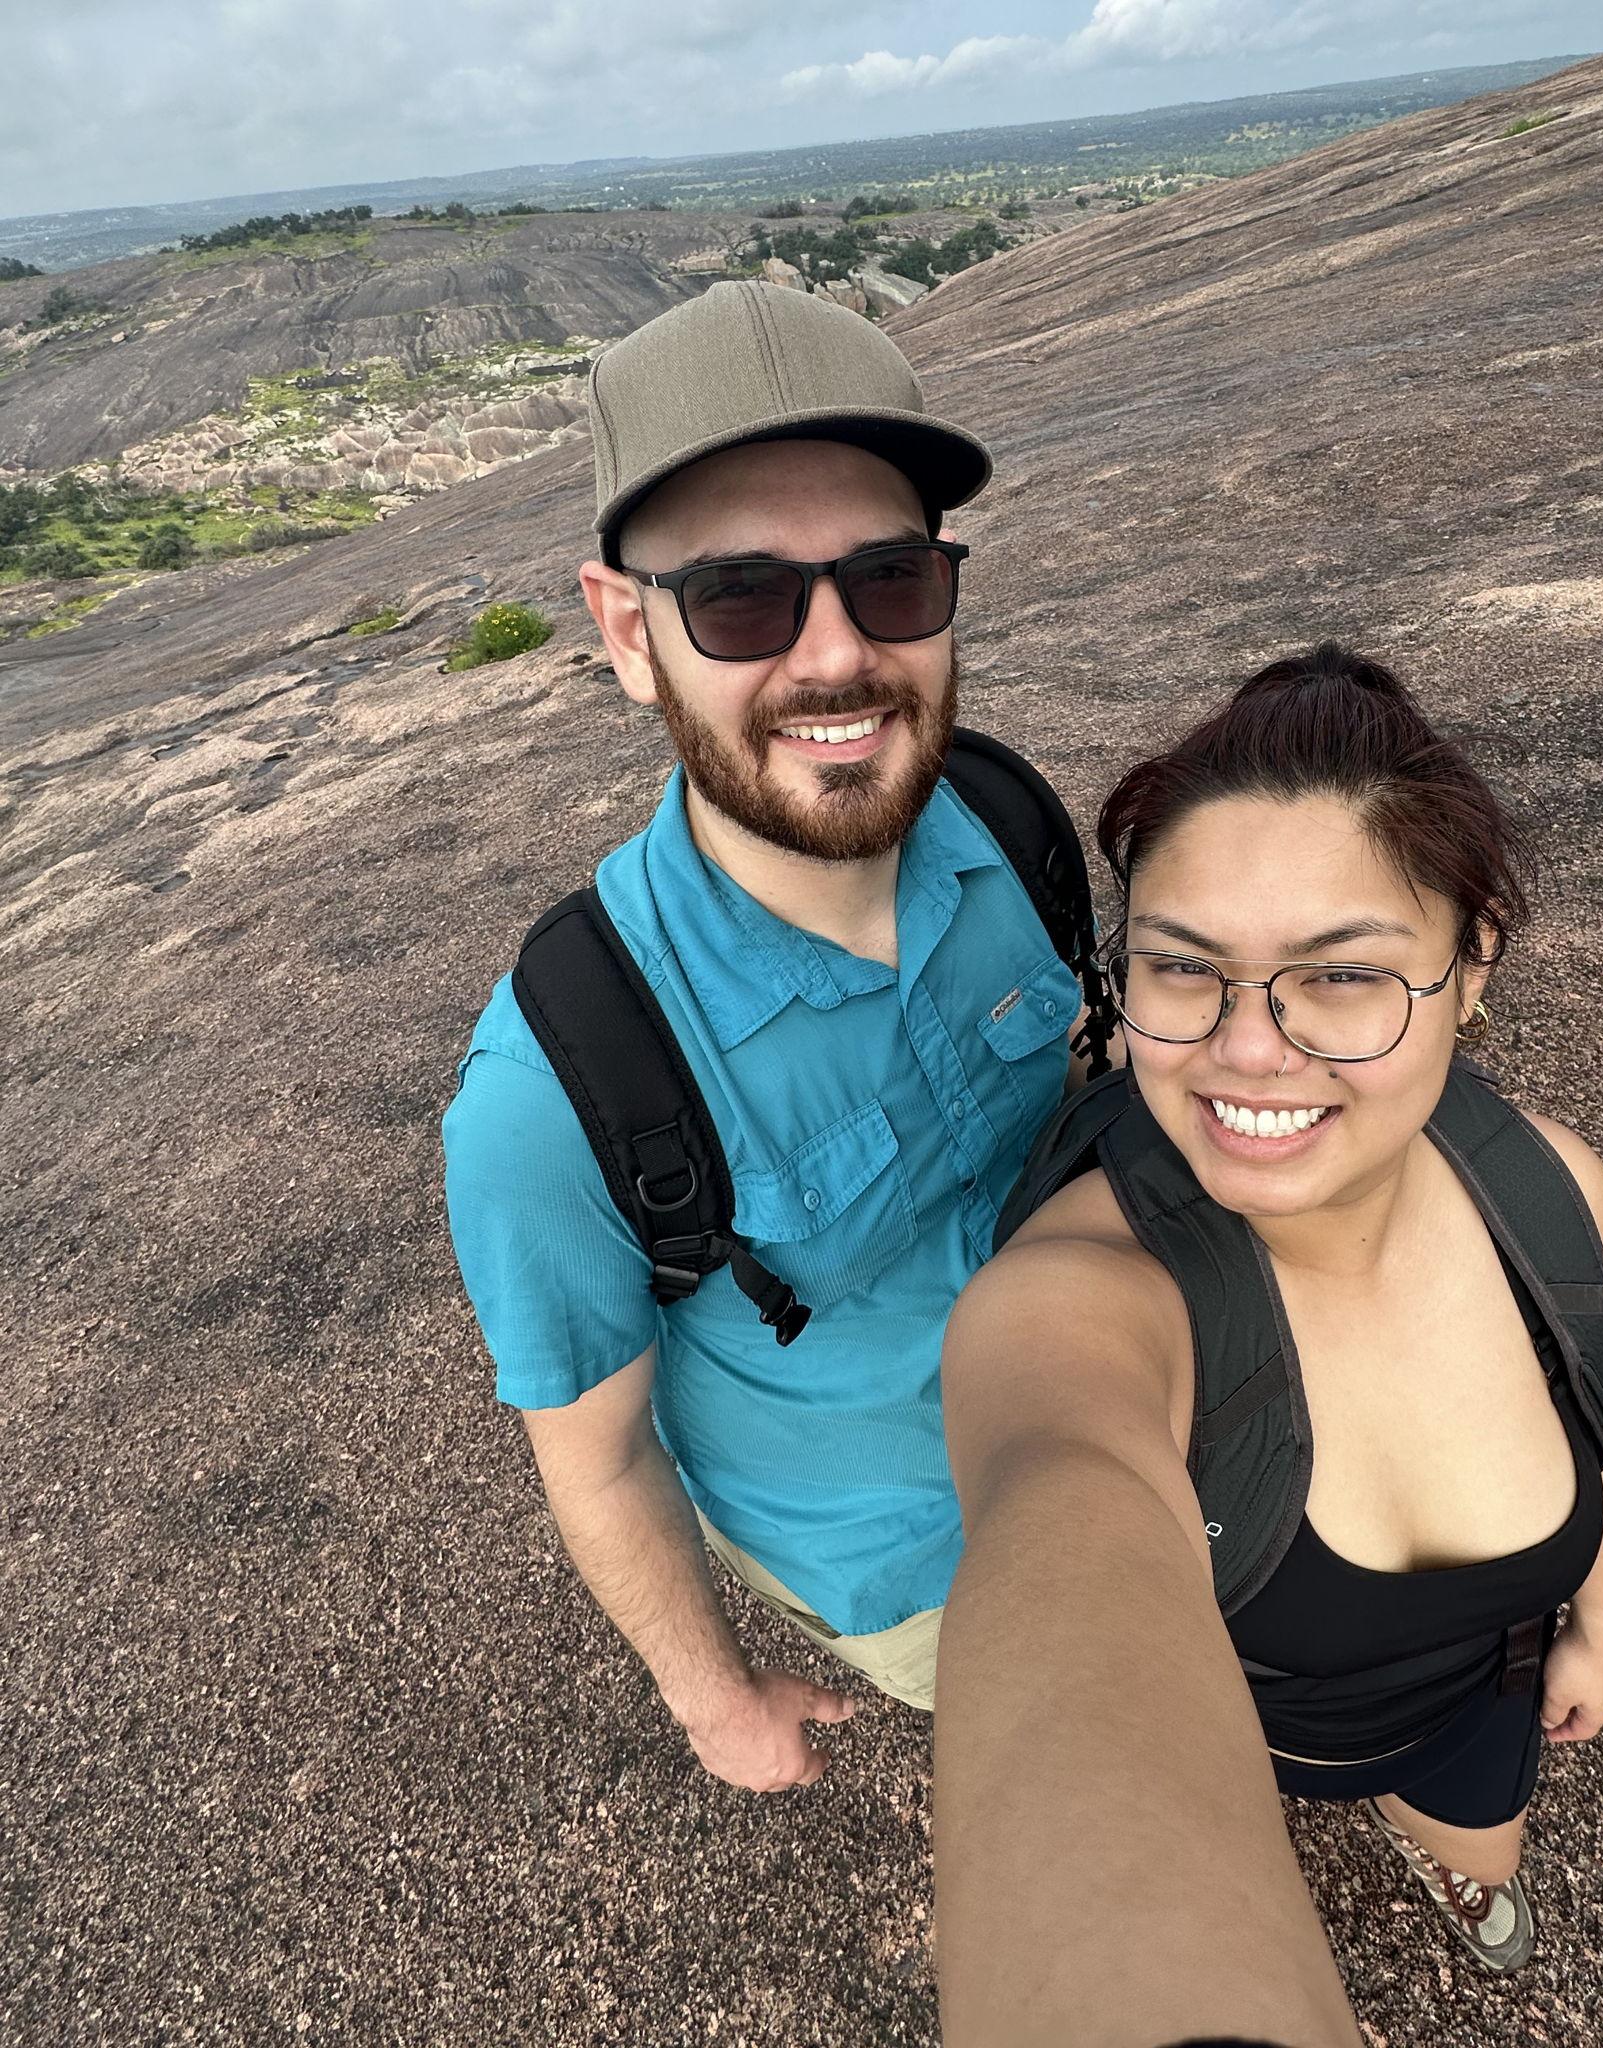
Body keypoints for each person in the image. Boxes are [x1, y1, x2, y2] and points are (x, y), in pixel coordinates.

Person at [442, 282, 1095, 1793]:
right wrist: (713, 1698)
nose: (836, 659)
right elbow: (599, 1454)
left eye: (889, 579)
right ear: (629, 634)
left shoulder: (1006, 825)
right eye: (741, 597)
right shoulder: (559, 1092)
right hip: (913, 1556)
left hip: (1131, 1400)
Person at [935, 644, 1603, 2038]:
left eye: (1343, 976)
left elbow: (1599, 1407)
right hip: (1262, 1733)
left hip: (1481, 1710)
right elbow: (1063, 1532)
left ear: (1471, 968)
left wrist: (1600, 1624)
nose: (1250, 1050)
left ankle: (1448, 1858)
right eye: (1184, 969)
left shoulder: (1557, 1198)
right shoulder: (1075, 1301)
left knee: (1483, 1853)